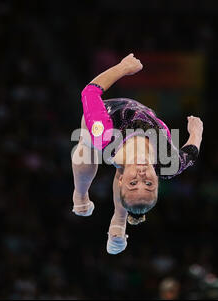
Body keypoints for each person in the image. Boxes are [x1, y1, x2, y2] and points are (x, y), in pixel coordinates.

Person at [71, 53, 203, 254]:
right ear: (157, 182)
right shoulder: (170, 164)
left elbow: (90, 92)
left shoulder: (104, 134)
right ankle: (119, 221)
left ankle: (80, 196)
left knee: (86, 145)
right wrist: (196, 132)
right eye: (148, 184)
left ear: (122, 181)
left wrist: (123, 67)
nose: (141, 177)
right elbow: (191, 152)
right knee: (125, 164)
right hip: (140, 117)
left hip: (108, 113)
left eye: (133, 183)